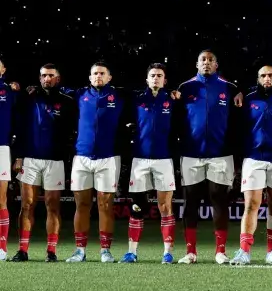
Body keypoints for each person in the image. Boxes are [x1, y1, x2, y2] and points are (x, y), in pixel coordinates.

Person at [230, 62, 272, 266]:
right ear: (257, 79)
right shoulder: (247, 100)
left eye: (271, 75)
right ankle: (244, 251)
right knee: (251, 205)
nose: (267, 79)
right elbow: (239, 130)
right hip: (253, 158)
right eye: (263, 76)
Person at [177, 50, 240, 265]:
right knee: (190, 201)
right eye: (203, 59)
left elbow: (238, 121)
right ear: (197, 63)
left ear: (216, 64)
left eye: (210, 60)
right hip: (191, 153)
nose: (206, 63)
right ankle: (190, 252)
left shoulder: (230, 88)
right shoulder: (185, 88)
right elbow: (176, 119)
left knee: (219, 200)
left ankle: (220, 251)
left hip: (221, 153)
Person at [66, 61, 128, 263]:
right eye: (94, 73)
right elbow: (54, 92)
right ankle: (80, 251)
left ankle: (105, 250)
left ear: (110, 77)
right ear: (90, 77)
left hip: (108, 158)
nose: (98, 76)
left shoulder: (120, 96)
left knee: (105, 205)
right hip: (81, 157)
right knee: (82, 204)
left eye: (102, 73)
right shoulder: (79, 94)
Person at [11, 64, 74, 262]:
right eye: (44, 75)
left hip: (55, 161)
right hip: (29, 158)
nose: (47, 79)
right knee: (27, 204)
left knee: (52, 206)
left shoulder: (68, 102)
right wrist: (19, 156)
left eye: (51, 76)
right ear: (39, 78)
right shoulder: (28, 98)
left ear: (58, 78)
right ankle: (22, 250)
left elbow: (71, 134)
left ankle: (51, 251)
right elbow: (19, 127)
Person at [121, 63, 178, 264]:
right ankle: (132, 253)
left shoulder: (172, 101)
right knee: (137, 206)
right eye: (152, 75)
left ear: (165, 80)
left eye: (159, 75)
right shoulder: (136, 99)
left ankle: (167, 253)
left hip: (164, 159)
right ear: (147, 79)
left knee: (165, 206)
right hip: (139, 159)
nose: (155, 78)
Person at [0, 61, 16, 260]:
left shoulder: (8, 92)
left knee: (1, 200)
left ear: (3, 70)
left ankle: (2, 248)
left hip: (1, 148)